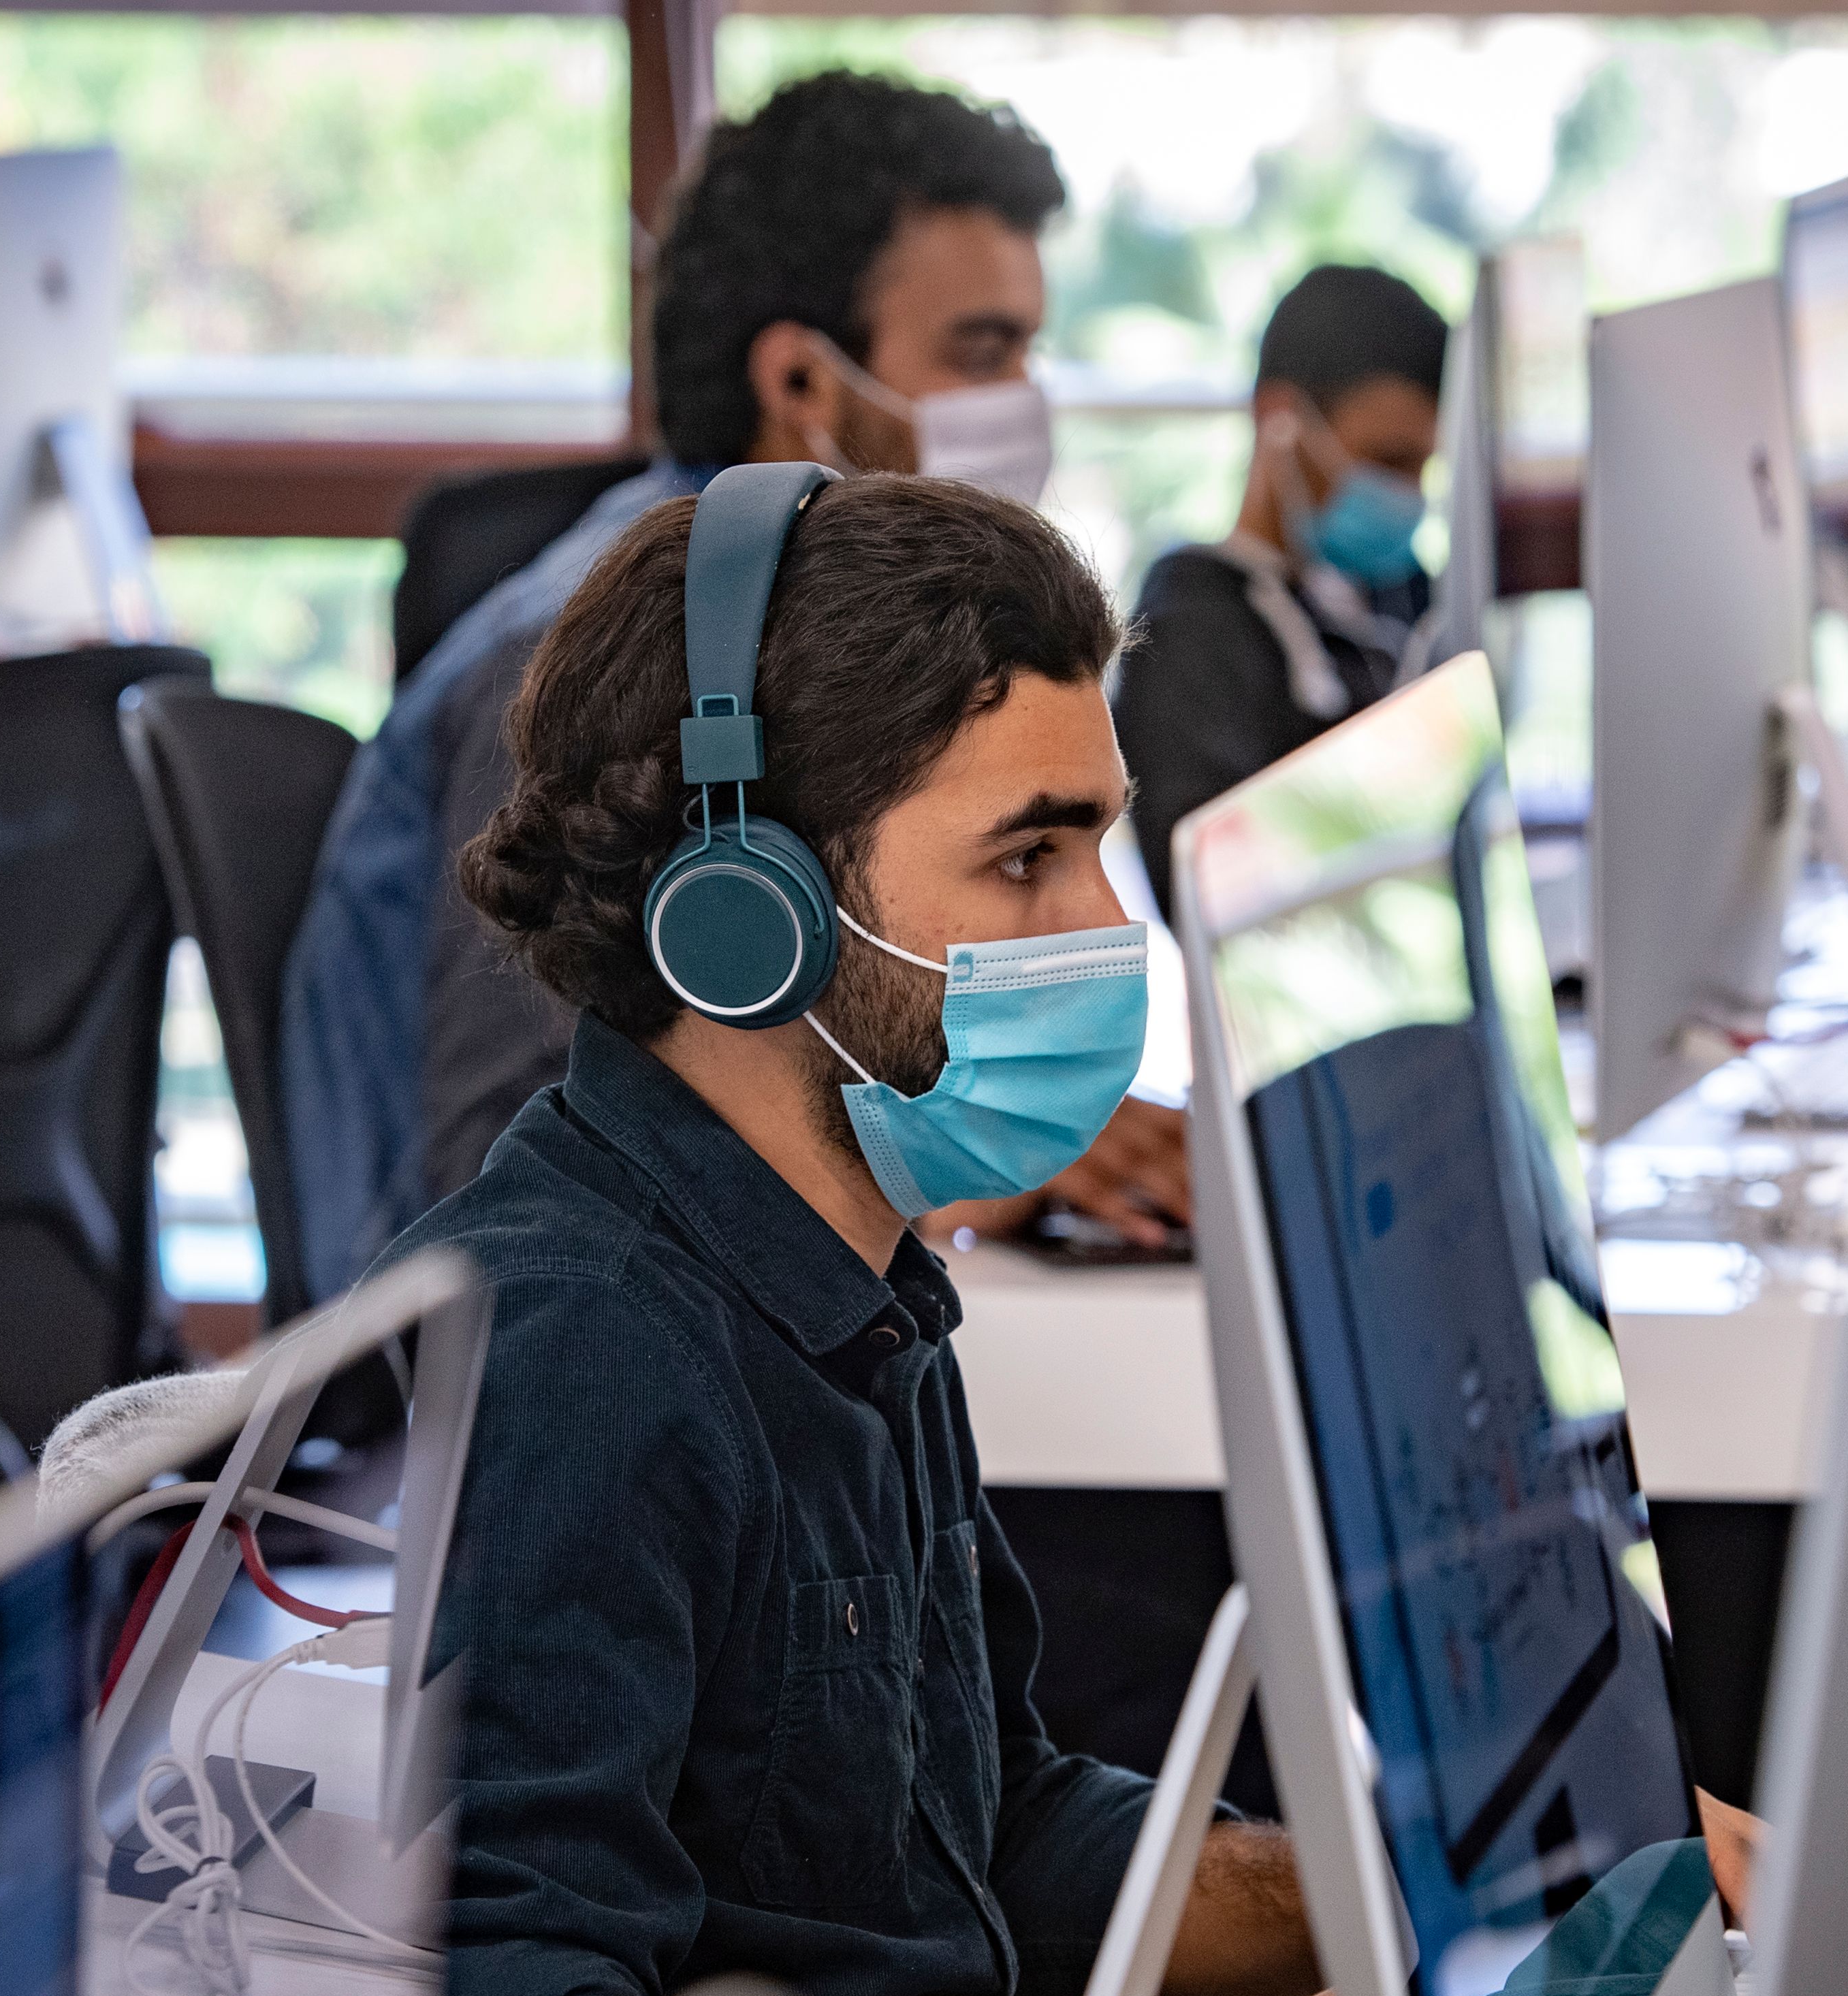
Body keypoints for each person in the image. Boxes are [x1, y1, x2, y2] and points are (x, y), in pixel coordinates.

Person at [389, 466, 1761, 1996]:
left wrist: (1437, 1892)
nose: (1102, 925)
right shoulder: (581, 1350)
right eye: (1028, 853)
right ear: (750, 913)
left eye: (1102, 845)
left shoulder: (855, 1266)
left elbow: (1003, 1826)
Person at [277, 71, 1188, 1309]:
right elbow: (492, 1183)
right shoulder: (594, 659)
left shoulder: (810, 644)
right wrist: (945, 1178)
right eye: (980, 351)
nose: (1021, 403)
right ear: (801, 386)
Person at [1113, 263, 1450, 922]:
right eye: (1387, 461)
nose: (1408, 496)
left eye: (1425, 468)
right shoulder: (1187, 629)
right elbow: (1212, 907)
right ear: (1279, 418)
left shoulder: (1409, 603)